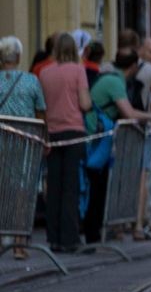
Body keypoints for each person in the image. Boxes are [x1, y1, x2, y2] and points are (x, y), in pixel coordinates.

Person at [82, 49, 151, 243]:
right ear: (133, 66)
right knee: (98, 185)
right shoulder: (115, 82)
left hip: (97, 135)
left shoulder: (110, 77)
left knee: (99, 185)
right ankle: (93, 234)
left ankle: (98, 230)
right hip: (98, 137)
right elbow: (129, 113)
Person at [38, 33, 93, 252]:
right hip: (73, 131)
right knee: (70, 187)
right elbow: (85, 103)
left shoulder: (44, 73)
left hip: (51, 133)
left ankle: (54, 237)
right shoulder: (78, 70)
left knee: (54, 187)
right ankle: (70, 238)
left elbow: (42, 105)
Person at [0, 36, 46, 260]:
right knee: (21, 192)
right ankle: (19, 243)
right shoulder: (31, 81)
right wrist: (44, 139)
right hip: (26, 144)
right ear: (18, 57)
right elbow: (41, 112)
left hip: (2, 143)